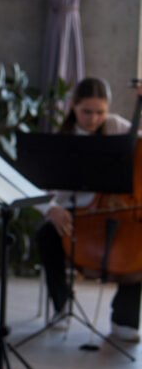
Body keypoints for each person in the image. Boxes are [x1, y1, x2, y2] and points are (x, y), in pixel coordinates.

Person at [36, 77, 142, 342]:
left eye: (100, 112)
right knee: (46, 235)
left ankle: (124, 318)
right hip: (72, 214)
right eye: (86, 111)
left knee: (139, 244)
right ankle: (61, 305)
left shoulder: (115, 126)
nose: (93, 119)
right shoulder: (62, 139)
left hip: (113, 212)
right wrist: (51, 209)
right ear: (73, 105)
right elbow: (35, 189)